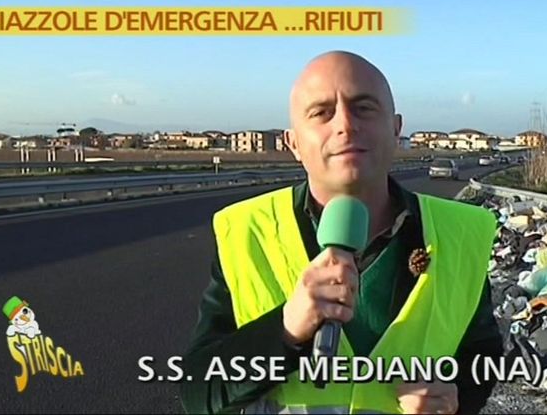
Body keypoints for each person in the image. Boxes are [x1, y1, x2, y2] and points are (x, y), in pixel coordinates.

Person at [180, 50, 504, 414]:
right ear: (293, 143)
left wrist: (456, 397)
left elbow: (482, 355)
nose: (345, 125)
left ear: (396, 129)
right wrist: (285, 330)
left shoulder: (459, 233)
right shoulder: (247, 232)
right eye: (321, 112)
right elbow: (196, 392)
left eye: (363, 108)